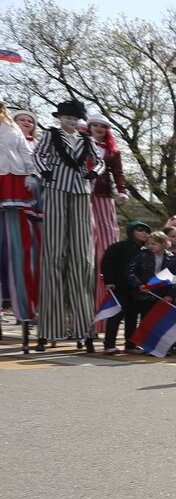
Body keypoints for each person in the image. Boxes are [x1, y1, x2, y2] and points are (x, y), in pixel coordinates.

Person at [32, 100, 101, 349]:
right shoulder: (51, 135)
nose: (71, 122)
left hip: (81, 191)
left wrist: (94, 172)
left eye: (75, 119)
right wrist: (45, 172)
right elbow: (37, 155)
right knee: (53, 256)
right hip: (56, 188)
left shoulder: (86, 140)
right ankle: (48, 330)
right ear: (60, 118)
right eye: (67, 118)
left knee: (83, 260)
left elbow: (99, 161)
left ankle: (85, 330)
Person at [85, 113, 129, 338]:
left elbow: (117, 173)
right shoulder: (78, 144)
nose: (99, 129)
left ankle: (102, 320)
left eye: (103, 126)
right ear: (89, 126)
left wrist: (121, 191)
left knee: (105, 248)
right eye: (95, 125)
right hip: (80, 195)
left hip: (101, 197)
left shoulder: (112, 151)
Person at [0, 102, 41, 336]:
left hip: (14, 183)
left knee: (20, 249)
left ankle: (25, 310)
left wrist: (31, 173)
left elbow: (25, 152)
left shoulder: (14, 131)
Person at [98, 221, 151, 354]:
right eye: (140, 230)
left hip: (137, 288)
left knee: (132, 316)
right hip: (120, 286)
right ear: (131, 232)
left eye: (146, 231)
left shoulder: (147, 250)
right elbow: (107, 263)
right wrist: (109, 281)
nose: (144, 233)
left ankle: (131, 344)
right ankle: (109, 344)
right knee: (116, 315)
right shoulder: (118, 247)